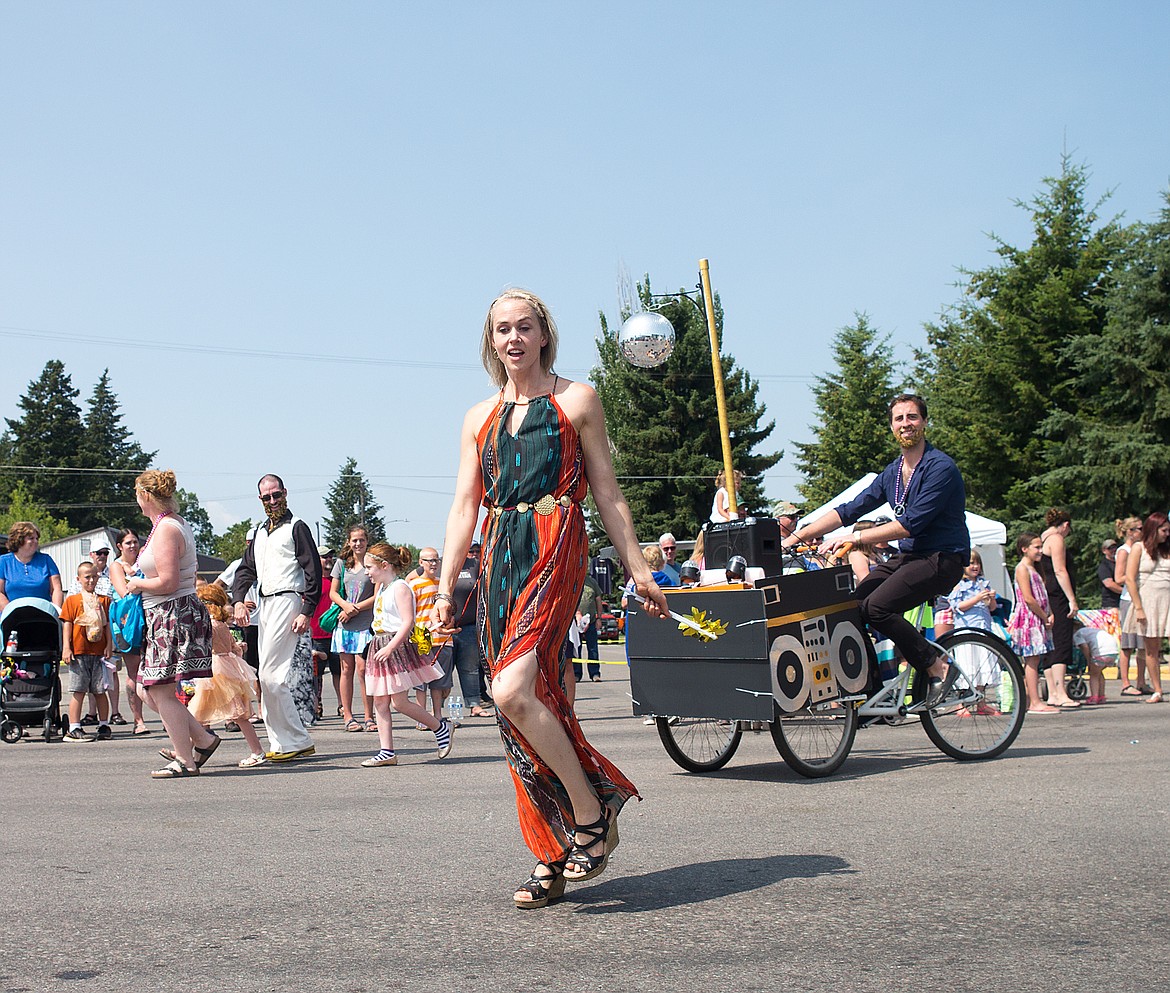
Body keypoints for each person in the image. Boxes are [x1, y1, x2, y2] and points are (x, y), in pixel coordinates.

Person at [432, 288, 669, 910]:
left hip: (556, 540)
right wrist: (441, 585)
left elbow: (609, 494)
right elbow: (464, 507)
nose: (512, 338)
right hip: (497, 558)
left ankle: (591, 810)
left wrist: (638, 569)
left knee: (511, 690)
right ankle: (550, 852)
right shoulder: (477, 417)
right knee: (527, 707)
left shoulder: (576, 400)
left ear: (544, 335)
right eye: (501, 330)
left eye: (524, 327)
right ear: (491, 342)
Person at [783, 394, 968, 708]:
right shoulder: (893, 473)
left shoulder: (940, 468)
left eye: (912, 417)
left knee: (877, 607)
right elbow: (849, 509)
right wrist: (793, 537)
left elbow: (909, 525)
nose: (906, 424)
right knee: (852, 606)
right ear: (892, 426)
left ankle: (938, 668)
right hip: (910, 557)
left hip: (943, 557)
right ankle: (873, 692)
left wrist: (855, 539)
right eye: (899, 419)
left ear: (924, 422)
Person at [124, 469, 220, 778]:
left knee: (158, 691)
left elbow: (168, 581)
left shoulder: (167, 528)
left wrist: (138, 584)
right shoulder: (168, 525)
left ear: (146, 496)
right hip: (167, 614)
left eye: (138, 496)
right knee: (149, 689)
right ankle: (201, 740)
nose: (137, 501)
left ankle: (185, 759)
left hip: (173, 614)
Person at [231, 474, 321, 763]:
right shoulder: (259, 531)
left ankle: (291, 740)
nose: (272, 501)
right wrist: (237, 601)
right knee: (268, 677)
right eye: (266, 497)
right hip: (265, 603)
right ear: (260, 500)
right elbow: (245, 569)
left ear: (285, 493)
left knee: (271, 675)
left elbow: (313, 572)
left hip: (288, 599)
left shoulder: (297, 528)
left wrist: (306, 610)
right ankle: (291, 739)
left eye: (276, 495)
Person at [358, 543, 453, 768]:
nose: (367, 572)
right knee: (380, 701)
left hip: (394, 645)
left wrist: (391, 647)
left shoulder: (400, 587)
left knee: (398, 702)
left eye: (369, 567)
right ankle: (386, 751)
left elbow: (408, 622)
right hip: (379, 643)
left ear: (384, 565)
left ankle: (439, 727)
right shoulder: (381, 587)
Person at [187, 584, 267, 767]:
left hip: (215, 672)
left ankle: (257, 751)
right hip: (228, 667)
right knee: (204, 714)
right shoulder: (222, 624)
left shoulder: (210, 625)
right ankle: (184, 751)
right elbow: (234, 648)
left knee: (207, 713)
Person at [1006, 532, 1060, 714]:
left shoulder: (1035, 569)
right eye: (1036, 547)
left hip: (1037, 617)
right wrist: (1044, 616)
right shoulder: (1022, 568)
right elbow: (1028, 598)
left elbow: (1041, 595)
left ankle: (1031, 698)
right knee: (1032, 659)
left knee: (1034, 659)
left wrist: (1050, 612)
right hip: (1029, 619)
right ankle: (1034, 702)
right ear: (1024, 549)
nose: (1040, 551)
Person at [329, 526, 376, 733]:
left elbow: (377, 595)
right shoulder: (341, 564)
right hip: (345, 624)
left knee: (364, 669)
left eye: (362, 540)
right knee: (345, 669)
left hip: (366, 623)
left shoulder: (372, 564)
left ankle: (369, 716)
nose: (358, 544)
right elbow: (333, 592)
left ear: (367, 542)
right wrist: (346, 606)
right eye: (354, 540)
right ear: (349, 542)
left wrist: (355, 609)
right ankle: (347, 715)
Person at [60, 561, 113, 742]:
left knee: (99, 690)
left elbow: (107, 626)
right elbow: (67, 624)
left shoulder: (104, 600)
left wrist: (109, 645)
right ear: (78, 579)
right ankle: (74, 726)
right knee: (78, 690)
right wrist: (66, 647)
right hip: (79, 651)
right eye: (87, 577)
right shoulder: (72, 600)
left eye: (94, 576)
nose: (91, 580)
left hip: (98, 652)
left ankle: (104, 724)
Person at [1121, 511, 1170, 703]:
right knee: (1152, 649)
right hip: (1148, 602)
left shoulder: (1167, 550)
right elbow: (1130, 579)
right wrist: (1139, 607)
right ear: (1154, 529)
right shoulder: (1139, 548)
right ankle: (1157, 689)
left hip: (1167, 599)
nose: (1167, 534)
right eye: (1164, 530)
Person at [108, 527, 150, 735]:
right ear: (119, 546)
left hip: (148, 619)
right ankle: (138, 720)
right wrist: (143, 582)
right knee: (133, 671)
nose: (133, 545)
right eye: (128, 543)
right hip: (126, 624)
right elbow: (123, 591)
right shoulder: (116, 566)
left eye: (135, 541)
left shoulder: (144, 562)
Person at [947, 549, 1000, 712]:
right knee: (967, 665)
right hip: (966, 630)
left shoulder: (983, 583)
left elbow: (993, 608)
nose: (974, 566)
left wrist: (990, 599)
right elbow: (957, 607)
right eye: (971, 563)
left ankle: (981, 702)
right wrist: (977, 598)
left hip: (983, 629)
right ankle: (961, 704)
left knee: (982, 665)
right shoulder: (959, 584)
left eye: (977, 563)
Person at [1039, 508, 1081, 708]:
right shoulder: (1056, 539)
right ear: (1065, 525)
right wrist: (1072, 599)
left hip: (1047, 594)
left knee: (1050, 642)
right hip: (1058, 596)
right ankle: (1060, 692)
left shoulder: (1043, 538)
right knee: (1061, 640)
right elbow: (1060, 570)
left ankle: (1053, 692)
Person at [408, 547, 455, 724]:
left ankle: (437, 715)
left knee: (439, 680)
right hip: (421, 634)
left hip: (443, 638)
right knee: (421, 679)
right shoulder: (414, 585)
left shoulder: (442, 585)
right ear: (421, 563)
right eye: (429, 560)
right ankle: (422, 717)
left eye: (436, 560)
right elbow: (410, 612)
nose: (433, 564)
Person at [448, 541, 493, 718]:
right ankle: (436, 709)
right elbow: (413, 576)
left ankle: (475, 705)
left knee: (470, 668)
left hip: (468, 626)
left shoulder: (475, 564)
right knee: (442, 671)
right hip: (446, 629)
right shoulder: (444, 564)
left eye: (474, 550)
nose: (472, 552)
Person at [1114, 517, 1150, 695]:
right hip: (1129, 599)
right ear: (1130, 532)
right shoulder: (1124, 551)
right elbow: (1119, 577)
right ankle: (1126, 683)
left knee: (1143, 642)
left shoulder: (1141, 548)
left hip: (1142, 598)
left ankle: (1141, 681)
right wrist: (1135, 575)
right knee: (1128, 644)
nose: (1142, 532)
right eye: (1139, 529)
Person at [309, 545, 342, 721]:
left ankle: (342, 705)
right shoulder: (311, 581)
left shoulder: (337, 581)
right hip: (316, 634)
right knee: (317, 674)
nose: (328, 560)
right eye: (324, 557)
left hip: (336, 633)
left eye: (330, 556)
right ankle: (317, 705)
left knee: (339, 672)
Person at [0, 521, 63, 610]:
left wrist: (56, 610)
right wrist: (10, 611)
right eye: (31, 538)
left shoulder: (46, 560)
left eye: (37, 538)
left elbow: (56, 589)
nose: (36, 541)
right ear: (19, 539)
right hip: (13, 618)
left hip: (43, 615)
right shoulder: (3, 561)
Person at [574, 569, 604, 683]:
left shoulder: (592, 582)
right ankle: (576, 674)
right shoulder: (573, 581)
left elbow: (598, 600)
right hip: (576, 622)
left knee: (593, 649)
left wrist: (599, 618)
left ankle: (595, 674)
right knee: (576, 649)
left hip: (591, 621)